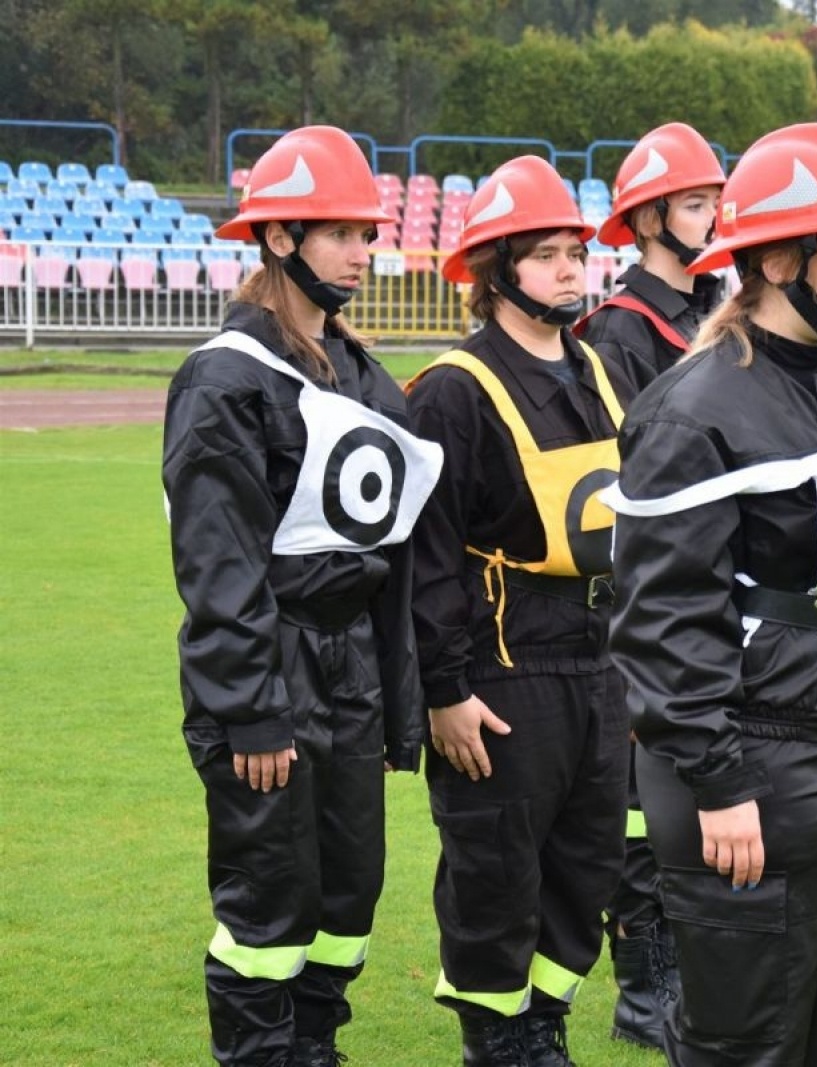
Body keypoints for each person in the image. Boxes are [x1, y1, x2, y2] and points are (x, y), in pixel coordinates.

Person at [604, 121, 817, 1066]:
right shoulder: (695, 407)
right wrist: (717, 781)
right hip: (752, 770)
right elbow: (662, 616)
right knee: (742, 1045)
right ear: (775, 255)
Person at [163, 124, 440, 1067]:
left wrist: (399, 698)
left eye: (369, 232)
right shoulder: (224, 379)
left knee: (348, 897)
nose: (366, 252)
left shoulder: (365, 378)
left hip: (350, 669)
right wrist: (251, 711)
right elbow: (219, 563)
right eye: (342, 233)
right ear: (280, 238)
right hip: (270, 667)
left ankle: (314, 1045)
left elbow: (394, 557)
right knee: (269, 902)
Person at [406, 155, 632, 1066]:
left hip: (598, 663)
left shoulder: (598, 370)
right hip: (502, 674)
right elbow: (425, 559)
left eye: (575, 251)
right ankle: (495, 1040)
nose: (572, 270)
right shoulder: (453, 390)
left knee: (588, 865)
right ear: (497, 270)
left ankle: (543, 1025)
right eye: (547, 255)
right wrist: (444, 687)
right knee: (496, 869)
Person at [573, 121, 727, 1051]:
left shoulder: (719, 310)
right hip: (644, 595)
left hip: (717, 588)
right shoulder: (620, 334)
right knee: (640, 794)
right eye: (698, 201)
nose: (715, 214)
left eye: (715, 199)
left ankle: (706, 956)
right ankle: (644, 977)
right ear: (647, 218)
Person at [576, 122, 727, 395]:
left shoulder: (717, 309)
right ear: (648, 224)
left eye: (716, 205)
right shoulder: (618, 331)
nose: (713, 220)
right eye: (695, 206)